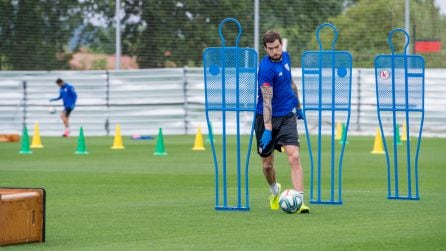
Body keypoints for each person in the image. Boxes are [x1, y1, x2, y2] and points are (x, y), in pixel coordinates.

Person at [255, 30, 309, 213]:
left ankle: (299, 201)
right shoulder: (265, 69)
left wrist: (298, 105)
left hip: (287, 115)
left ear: (281, 45)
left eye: (277, 47)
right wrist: (268, 130)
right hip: (266, 118)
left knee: (294, 156)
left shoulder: (286, 57)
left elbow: (290, 83)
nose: (275, 51)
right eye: (270, 49)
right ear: (265, 48)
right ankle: (274, 190)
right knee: (267, 164)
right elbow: (267, 100)